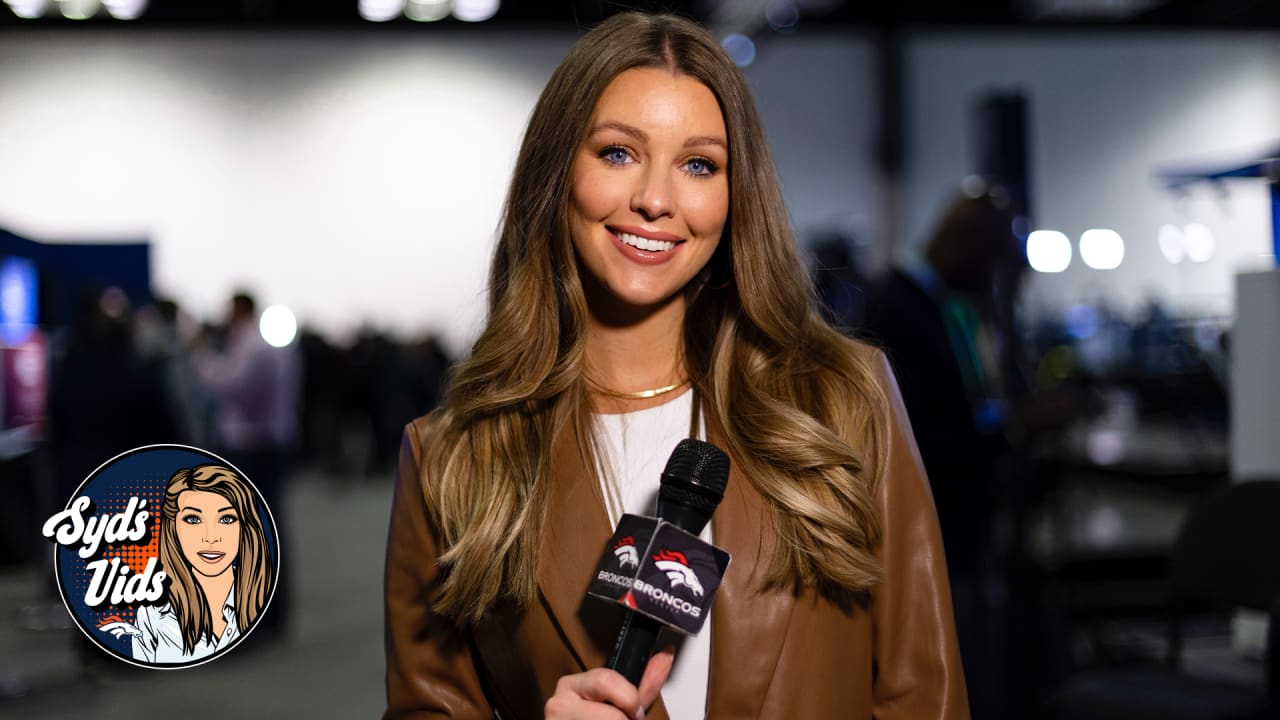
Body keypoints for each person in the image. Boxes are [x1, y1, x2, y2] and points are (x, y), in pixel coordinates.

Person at [384, 12, 967, 720]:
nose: (655, 200)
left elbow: (925, 697)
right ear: (557, 171)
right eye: (619, 153)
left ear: (734, 193)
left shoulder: (842, 400)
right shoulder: (453, 457)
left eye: (698, 164)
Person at [101, 464, 275, 664]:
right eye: (193, 519)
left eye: (226, 519)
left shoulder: (256, 591)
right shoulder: (151, 616)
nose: (211, 537)